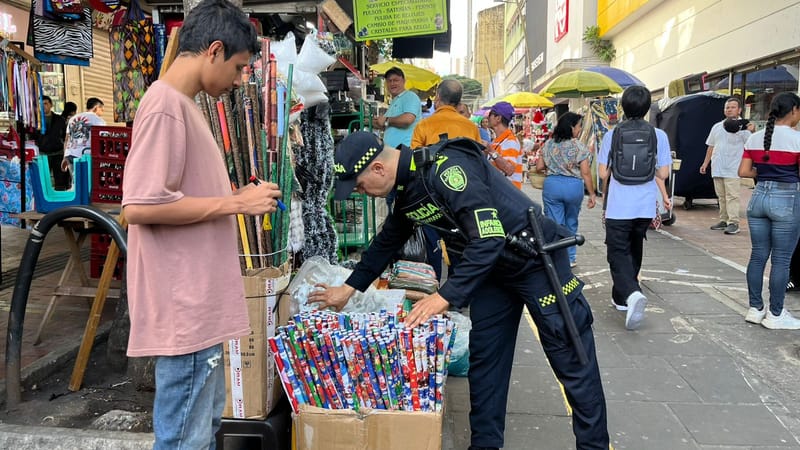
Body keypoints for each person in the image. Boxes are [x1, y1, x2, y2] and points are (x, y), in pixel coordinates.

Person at [311, 131, 609, 450]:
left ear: (379, 169)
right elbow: (387, 243)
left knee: (570, 357)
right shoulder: (408, 188)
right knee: (486, 363)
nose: (362, 193)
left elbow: (489, 238)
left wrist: (445, 296)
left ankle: (593, 446)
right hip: (490, 271)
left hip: (537, 263)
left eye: (359, 185)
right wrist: (348, 288)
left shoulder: (448, 169)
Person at [120, 1, 283, 448]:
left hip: (197, 306)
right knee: (185, 440)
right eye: (237, 67)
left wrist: (235, 200)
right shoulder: (166, 106)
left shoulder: (183, 105)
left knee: (201, 432)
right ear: (213, 50)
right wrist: (233, 204)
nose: (237, 81)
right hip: (184, 307)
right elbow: (140, 206)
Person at [598, 86, 672, 330]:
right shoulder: (658, 135)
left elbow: (602, 173)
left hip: (619, 206)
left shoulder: (613, 134)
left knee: (617, 252)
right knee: (634, 247)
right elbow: (663, 172)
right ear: (647, 107)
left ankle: (631, 293)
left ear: (624, 107)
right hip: (645, 206)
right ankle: (620, 299)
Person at [738, 92, 800, 330]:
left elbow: (743, 171)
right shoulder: (797, 139)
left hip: (758, 198)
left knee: (757, 255)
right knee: (782, 260)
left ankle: (755, 309)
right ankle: (776, 314)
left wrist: (764, 175)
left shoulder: (755, 138)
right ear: (794, 109)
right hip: (786, 199)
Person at [410, 79, 481, 280]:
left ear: (438, 98)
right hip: (463, 193)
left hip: (431, 196)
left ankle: (432, 286)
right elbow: (477, 162)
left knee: (432, 242)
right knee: (460, 242)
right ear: (458, 103)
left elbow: (414, 162)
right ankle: (456, 292)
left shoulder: (424, 125)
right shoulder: (470, 128)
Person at [536, 112, 596, 267]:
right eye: (578, 126)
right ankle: (570, 258)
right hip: (573, 187)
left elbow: (539, 167)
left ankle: (556, 257)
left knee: (555, 224)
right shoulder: (578, 146)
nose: (580, 129)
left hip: (552, 185)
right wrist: (592, 193)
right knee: (571, 222)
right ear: (571, 127)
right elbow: (586, 172)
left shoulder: (548, 144)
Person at [700, 97, 754, 235]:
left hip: (734, 167)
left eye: (732, 107)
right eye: (727, 107)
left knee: (732, 196)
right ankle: (723, 219)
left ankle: (733, 223)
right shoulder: (717, 126)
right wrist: (705, 163)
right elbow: (711, 146)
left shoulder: (744, 127)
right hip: (718, 166)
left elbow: (750, 145)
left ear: (739, 109)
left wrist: (750, 130)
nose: (729, 109)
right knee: (721, 196)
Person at [372, 67, 421, 148]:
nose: (392, 83)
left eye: (396, 80)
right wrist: (378, 123)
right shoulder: (395, 100)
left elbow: (408, 119)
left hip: (405, 149)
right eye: (389, 81)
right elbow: (392, 126)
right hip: (393, 151)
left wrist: (386, 120)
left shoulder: (410, 96)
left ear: (404, 81)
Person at [60, 97, 106, 177]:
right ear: (96, 108)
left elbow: (67, 139)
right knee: (88, 183)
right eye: (101, 110)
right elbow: (103, 138)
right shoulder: (99, 121)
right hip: (86, 156)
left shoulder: (72, 119)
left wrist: (65, 156)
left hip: (70, 154)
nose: (102, 113)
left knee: (76, 182)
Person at [485, 101, 523, 189]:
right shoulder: (497, 141)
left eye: (490, 114)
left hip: (508, 196)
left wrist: (491, 152)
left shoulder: (510, 141)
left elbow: (509, 170)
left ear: (498, 118)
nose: (487, 117)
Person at [35, 96, 69, 190]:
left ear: (51, 105)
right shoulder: (36, 121)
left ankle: (62, 198)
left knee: (60, 180)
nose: (43, 106)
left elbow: (65, 136)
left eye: (45, 104)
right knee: (43, 179)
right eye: (40, 105)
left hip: (58, 152)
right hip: (43, 153)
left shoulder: (60, 120)